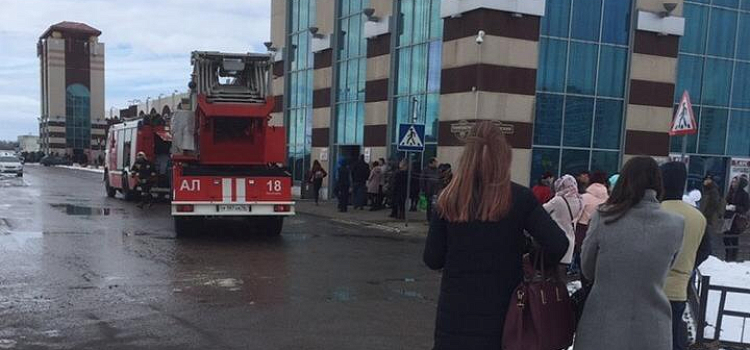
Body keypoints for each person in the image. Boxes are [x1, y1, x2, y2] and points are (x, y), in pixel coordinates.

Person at [423, 121, 568, 349]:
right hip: (506, 319)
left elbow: (432, 259)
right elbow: (558, 244)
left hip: (454, 320)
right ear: (504, 157)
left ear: (466, 157)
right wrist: (529, 258)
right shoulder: (520, 198)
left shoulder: (449, 199)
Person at [574, 157, 684, 350]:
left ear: (624, 180)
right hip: (653, 328)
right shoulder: (676, 224)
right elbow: (666, 269)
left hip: (602, 325)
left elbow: (587, 268)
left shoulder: (604, 216)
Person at [660, 162, 707, 350]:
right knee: (671, 339)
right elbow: (705, 250)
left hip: (649, 289)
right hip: (679, 288)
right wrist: (687, 265)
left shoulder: (654, 211)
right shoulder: (697, 217)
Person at [543, 174, 583, 266]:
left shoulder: (558, 200)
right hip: (571, 239)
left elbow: (543, 211)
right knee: (562, 270)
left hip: (555, 238)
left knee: (554, 271)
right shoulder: (580, 201)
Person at [575, 172, 609, 271]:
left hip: (583, 229)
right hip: (602, 229)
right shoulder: (608, 199)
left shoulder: (584, 197)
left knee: (582, 257)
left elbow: (577, 215)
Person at [724, 176, 749, 261]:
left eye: (735, 182)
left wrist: (735, 207)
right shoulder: (730, 192)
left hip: (737, 219)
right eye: (732, 182)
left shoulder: (744, 194)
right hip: (728, 217)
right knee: (726, 237)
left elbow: (746, 208)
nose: (733, 183)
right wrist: (726, 206)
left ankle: (733, 257)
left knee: (734, 238)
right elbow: (726, 201)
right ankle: (727, 255)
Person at [421, 157, 440, 222]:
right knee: (429, 206)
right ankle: (428, 219)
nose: (436, 164)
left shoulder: (437, 170)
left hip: (436, 191)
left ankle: (434, 219)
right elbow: (423, 180)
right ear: (431, 163)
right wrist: (423, 189)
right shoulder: (426, 170)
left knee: (435, 206)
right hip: (429, 191)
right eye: (435, 162)